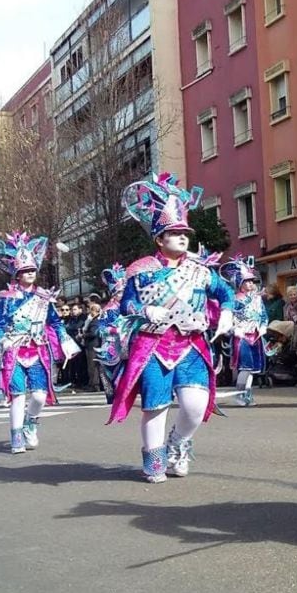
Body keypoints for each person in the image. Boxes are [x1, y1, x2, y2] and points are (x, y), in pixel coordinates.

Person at [107, 173, 235, 483]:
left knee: (194, 406)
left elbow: (225, 293)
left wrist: (228, 312)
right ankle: (154, 458)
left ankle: (178, 443)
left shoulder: (200, 271)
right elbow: (126, 305)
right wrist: (144, 309)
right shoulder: (141, 270)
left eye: (184, 233)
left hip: (191, 345)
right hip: (153, 345)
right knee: (155, 406)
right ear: (159, 239)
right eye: (174, 232)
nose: (182, 238)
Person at [0, 232, 80, 454]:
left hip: (38, 351)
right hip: (15, 350)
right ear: (17, 274)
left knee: (39, 396)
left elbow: (56, 322)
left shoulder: (43, 297)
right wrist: (2, 340)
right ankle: (16, 436)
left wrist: (65, 340)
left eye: (32, 270)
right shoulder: (6, 298)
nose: (30, 274)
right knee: (18, 395)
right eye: (25, 271)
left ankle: (31, 423)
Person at [219, 255, 267, 406]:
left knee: (252, 369)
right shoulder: (234, 299)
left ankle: (247, 394)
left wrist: (263, 326)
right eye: (247, 281)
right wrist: (234, 329)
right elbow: (230, 315)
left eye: (252, 280)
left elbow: (263, 314)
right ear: (239, 282)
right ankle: (239, 395)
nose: (251, 283)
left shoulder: (257, 299)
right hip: (241, 336)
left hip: (255, 335)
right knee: (244, 368)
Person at [93, 264, 127, 404]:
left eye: (124, 292)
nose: (122, 295)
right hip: (111, 344)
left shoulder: (128, 306)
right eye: (119, 292)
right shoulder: (108, 309)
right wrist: (115, 329)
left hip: (126, 342)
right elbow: (100, 328)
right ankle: (111, 394)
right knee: (109, 370)